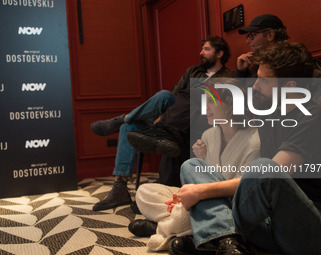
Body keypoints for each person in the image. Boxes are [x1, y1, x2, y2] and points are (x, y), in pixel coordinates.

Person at [168, 42, 321, 255]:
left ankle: (212, 238)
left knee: (263, 169)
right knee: (192, 166)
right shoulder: (270, 111)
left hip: (317, 226)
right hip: (271, 219)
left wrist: (200, 191)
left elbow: (270, 175)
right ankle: (227, 242)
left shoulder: (312, 116)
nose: (256, 85)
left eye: (264, 80)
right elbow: (228, 104)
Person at [91, 36, 233, 211]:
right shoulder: (193, 71)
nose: (201, 53)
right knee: (158, 100)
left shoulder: (228, 77)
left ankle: (125, 118)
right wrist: (162, 116)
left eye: (207, 49)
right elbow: (175, 95)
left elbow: (225, 105)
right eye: (201, 49)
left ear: (219, 53)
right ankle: (120, 187)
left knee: (195, 96)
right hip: (173, 115)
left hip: (196, 120)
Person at [128, 78, 260, 252]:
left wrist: (192, 198)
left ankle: (164, 228)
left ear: (230, 103)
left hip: (229, 204)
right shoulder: (208, 135)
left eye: (211, 102)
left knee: (190, 166)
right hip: (206, 203)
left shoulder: (254, 140)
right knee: (144, 192)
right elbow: (199, 181)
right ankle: (188, 228)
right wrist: (184, 196)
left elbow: (242, 188)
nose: (206, 108)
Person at [236, 13, 321, 106]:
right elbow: (245, 102)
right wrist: (241, 72)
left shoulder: (299, 65)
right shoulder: (258, 68)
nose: (247, 41)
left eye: (251, 36)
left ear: (269, 35)